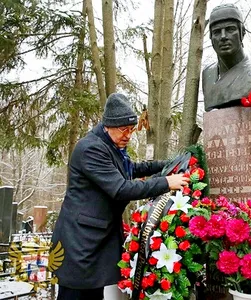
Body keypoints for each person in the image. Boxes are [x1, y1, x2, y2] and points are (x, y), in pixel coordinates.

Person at [50, 93, 190, 300]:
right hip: (80, 240)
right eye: (123, 130)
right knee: (75, 293)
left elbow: (131, 168)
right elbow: (121, 188)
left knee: (93, 293)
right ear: (108, 125)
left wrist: (167, 165)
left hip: (94, 238)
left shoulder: (110, 146)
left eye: (131, 130)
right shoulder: (91, 149)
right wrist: (166, 183)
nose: (128, 135)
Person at [202, 3, 251, 112]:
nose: (223, 37)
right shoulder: (207, 74)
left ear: (242, 32)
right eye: (217, 32)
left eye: (230, 29)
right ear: (211, 38)